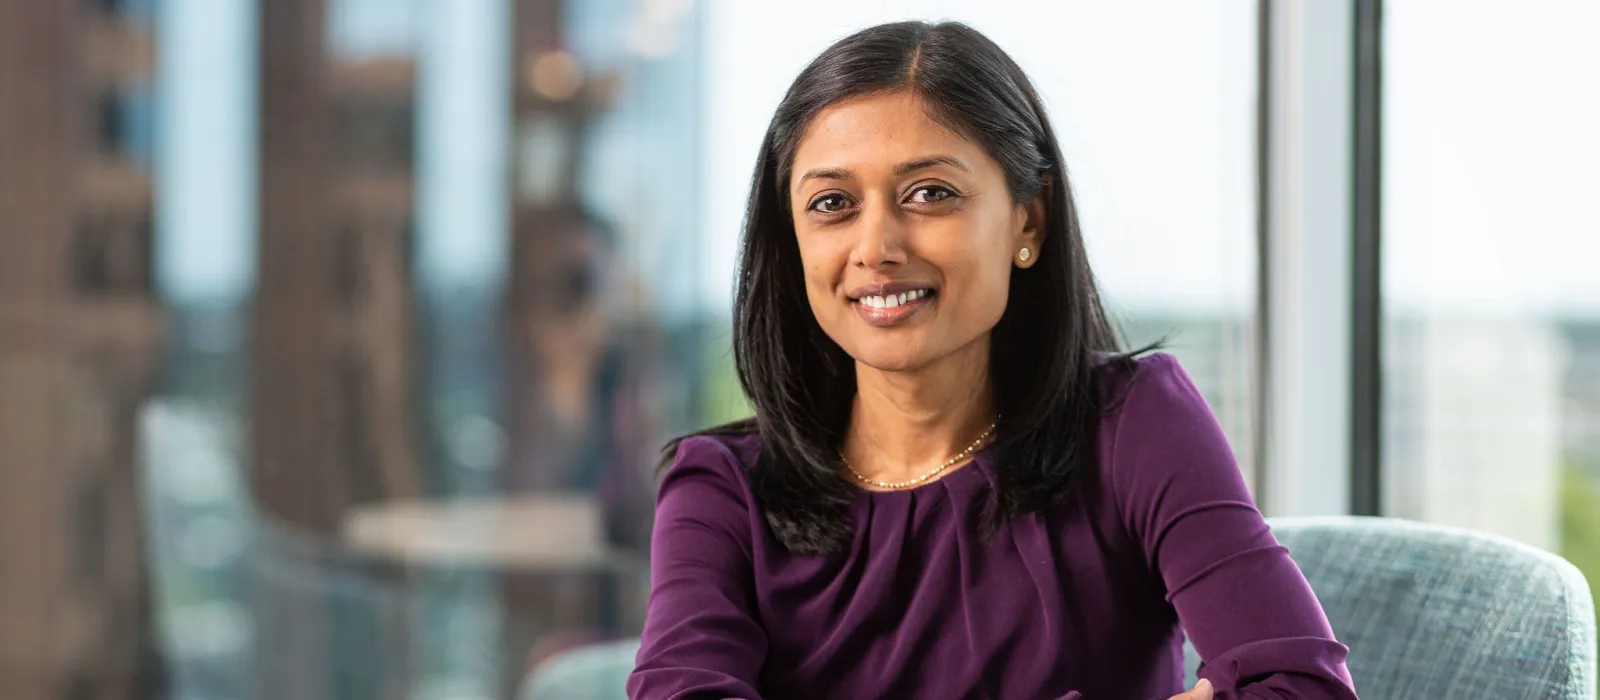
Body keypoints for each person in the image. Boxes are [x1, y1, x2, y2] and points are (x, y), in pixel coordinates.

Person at [629, 21, 1357, 700]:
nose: (876, 245)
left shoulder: (1134, 422)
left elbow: (1299, 686)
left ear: (1027, 221)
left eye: (930, 193)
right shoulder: (720, 488)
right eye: (833, 204)